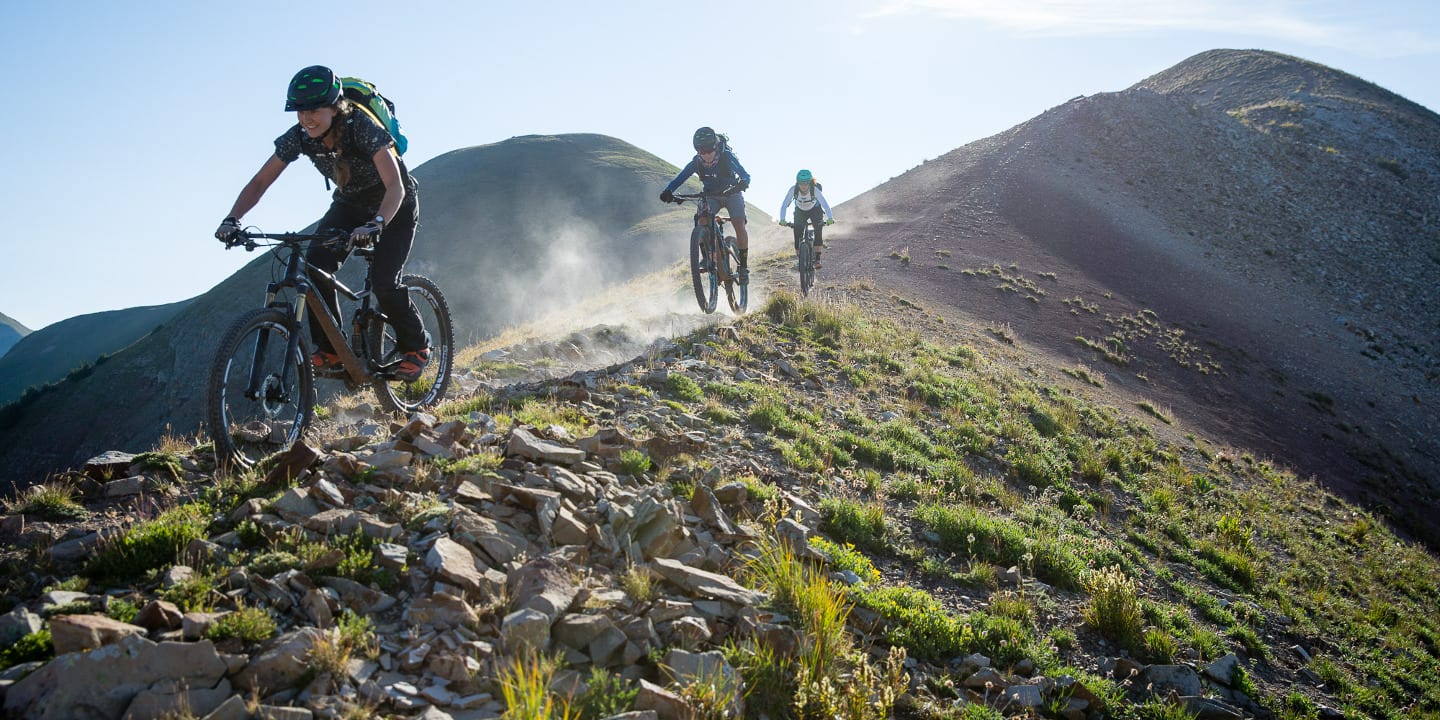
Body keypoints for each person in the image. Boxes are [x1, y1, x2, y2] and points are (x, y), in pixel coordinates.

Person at [215, 65, 429, 381]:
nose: (306, 118)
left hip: (393, 204)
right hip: (349, 205)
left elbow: (395, 186)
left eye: (314, 109)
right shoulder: (300, 137)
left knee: (384, 281)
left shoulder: (361, 128)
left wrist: (377, 223)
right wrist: (233, 219)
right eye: (299, 111)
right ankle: (331, 351)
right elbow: (261, 181)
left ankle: (417, 347)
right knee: (314, 269)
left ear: (334, 106)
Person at [659, 127, 752, 283]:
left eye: (710, 150)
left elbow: (745, 174)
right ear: (698, 151)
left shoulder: (726, 157)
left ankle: (743, 266)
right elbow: (680, 178)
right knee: (702, 220)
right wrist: (668, 190)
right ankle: (708, 257)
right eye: (702, 151)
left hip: (731, 193)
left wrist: (743, 182)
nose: (707, 154)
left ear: (715, 147)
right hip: (711, 195)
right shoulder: (696, 162)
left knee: (738, 223)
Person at [778, 169, 834, 268]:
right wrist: (782, 219)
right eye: (801, 183)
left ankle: (817, 259)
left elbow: (825, 204)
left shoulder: (815, 190)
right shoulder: (793, 190)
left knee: (818, 228)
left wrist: (830, 218)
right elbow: (784, 205)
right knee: (797, 232)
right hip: (800, 211)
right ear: (797, 182)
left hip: (815, 210)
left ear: (810, 182)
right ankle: (800, 259)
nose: (803, 186)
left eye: (806, 183)